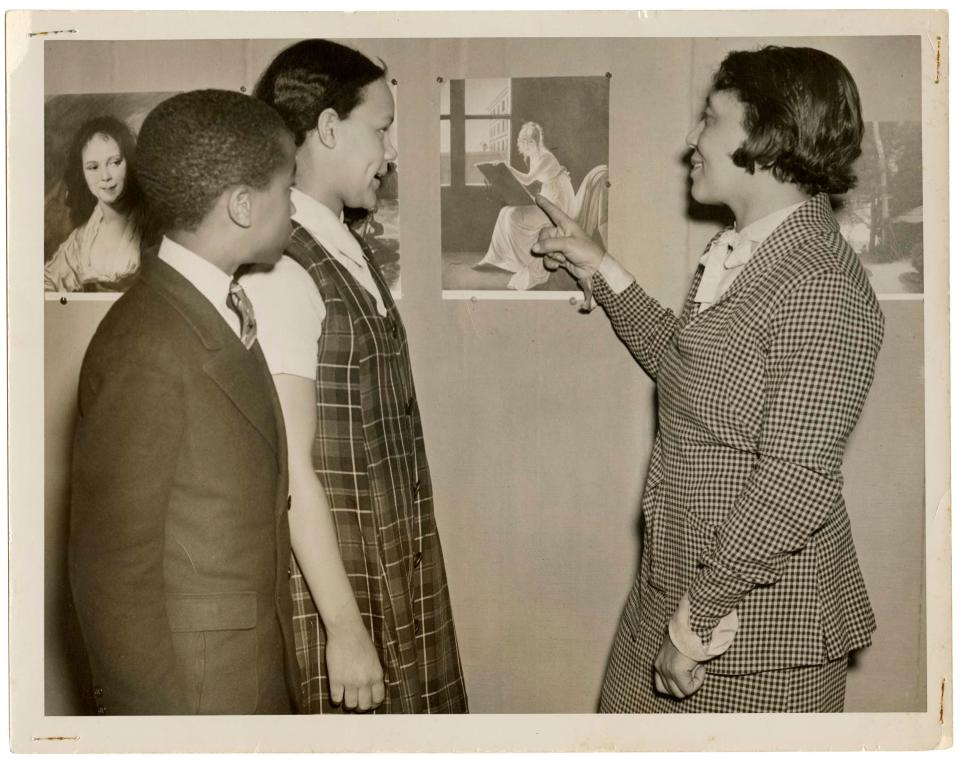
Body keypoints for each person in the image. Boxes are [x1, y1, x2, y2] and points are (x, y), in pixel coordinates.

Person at [533, 46, 884, 713]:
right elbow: (690, 369)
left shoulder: (821, 286)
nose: (691, 139)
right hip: (675, 588)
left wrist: (694, 628)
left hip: (751, 636)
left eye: (710, 119)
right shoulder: (750, 252)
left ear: (768, 136)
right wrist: (599, 266)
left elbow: (794, 480)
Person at [242, 39, 467, 714]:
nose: (392, 151)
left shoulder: (343, 240)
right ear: (330, 128)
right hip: (343, 588)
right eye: (383, 128)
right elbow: (292, 471)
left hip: (394, 562)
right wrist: (344, 630)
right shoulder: (281, 265)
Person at [68, 89, 301, 715]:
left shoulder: (209, 305)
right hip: (196, 699)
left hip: (246, 671)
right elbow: (114, 575)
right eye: (288, 188)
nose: (295, 208)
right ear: (244, 206)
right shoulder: (144, 342)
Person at [44, 116, 145, 292]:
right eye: (93, 167)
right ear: (82, 172)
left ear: (129, 162)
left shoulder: (152, 223)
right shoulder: (81, 239)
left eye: (115, 162)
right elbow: (45, 284)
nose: (105, 176)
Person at [476, 121, 576, 290]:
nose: (527, 144)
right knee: (504, 213)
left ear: (538, 141)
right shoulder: (533, 156)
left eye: (531, 141)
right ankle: (497, 259)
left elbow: (528, 179)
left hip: (559, 201)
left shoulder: (545, 156)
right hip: (548, 195)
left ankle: (525, 262)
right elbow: (529, 178)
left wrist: (506, 168)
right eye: (524, 141)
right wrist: (504, 170)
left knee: (515, 215)